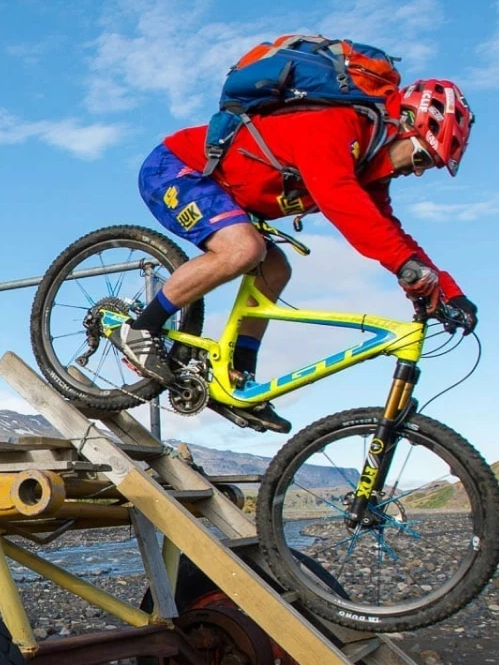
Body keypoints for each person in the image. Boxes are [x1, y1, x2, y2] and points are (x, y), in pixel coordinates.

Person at [117, 78, 479, 434]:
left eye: (427, 166)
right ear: (402, 126)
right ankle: (141, 329)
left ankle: (236, 377)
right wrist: (405, 267)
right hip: (178, 168)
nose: (416, 172)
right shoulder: (335, 125)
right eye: (421, 157)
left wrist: (449, 291)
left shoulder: (369, 167)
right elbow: (341, 201)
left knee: (275, 270)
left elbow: (389, 230)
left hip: (228, 194)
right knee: (244, 249)